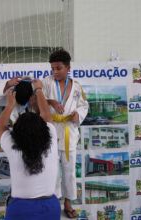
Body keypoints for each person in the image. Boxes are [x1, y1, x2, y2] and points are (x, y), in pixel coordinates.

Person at [0, 79, 60, 220]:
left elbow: (1, 126)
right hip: (50, 207)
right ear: (43, 129)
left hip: (20, 209)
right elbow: (46, 115)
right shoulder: (51, 139)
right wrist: (38, 90)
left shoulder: (13, 146)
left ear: (17, 133)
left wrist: (10, 105)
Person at [42, 49, 89, 218]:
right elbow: (35, 101)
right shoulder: (45, 83)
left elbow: (84, 105)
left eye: (58, 68)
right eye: (52, 68)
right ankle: (53, 203)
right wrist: (51, 101)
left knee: (69, 171)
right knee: (52, 171)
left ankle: (68, 203)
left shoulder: (77, 86)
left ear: (68, 68)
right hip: (51, 133)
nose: (55, 72)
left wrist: (78, 114)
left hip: (69, 131)